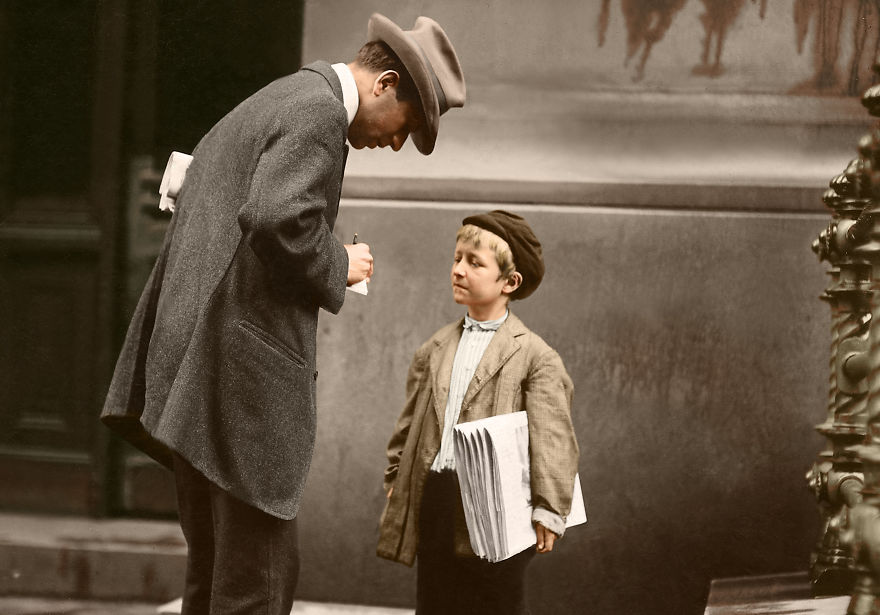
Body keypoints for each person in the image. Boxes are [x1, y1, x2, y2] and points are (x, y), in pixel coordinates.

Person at [100, 13, 465, 615]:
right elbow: (277, 217)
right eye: (408, 125)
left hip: (191, 375)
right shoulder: (320, 113)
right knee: (257, 586)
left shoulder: (284, 94)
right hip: (237, 385)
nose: (398, 143)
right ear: (386, 83)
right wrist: (339, 262)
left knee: (212, 578)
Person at [377, 210, 580, 615]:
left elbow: (553, 438)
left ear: (510, 282)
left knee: (495, 600)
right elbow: (410, 422)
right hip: (438, 493)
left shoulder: (535, 356)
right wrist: (396, 475)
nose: (458, 270)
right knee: (436, 599)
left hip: (498, 500)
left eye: (474, 262)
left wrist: (549, 506)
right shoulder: (435, 348)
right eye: (457, 258)